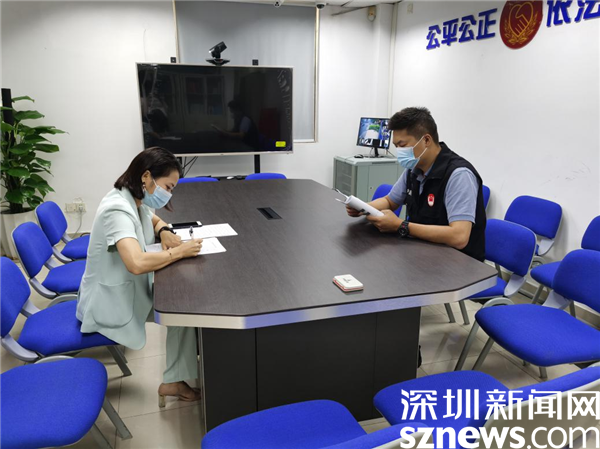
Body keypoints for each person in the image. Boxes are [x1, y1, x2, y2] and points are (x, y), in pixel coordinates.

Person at [76, 147, 203, 407]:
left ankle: (174, 380)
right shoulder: (116, 209)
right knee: (183, 308)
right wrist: (179, 252)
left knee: (185, 307)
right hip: (108, 303)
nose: (168, 194)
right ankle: (176, 378)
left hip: (126, 290)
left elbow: (152, 218)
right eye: (168, 187)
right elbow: (135, 263)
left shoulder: (133, 198)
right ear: (146, 177)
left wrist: (164, 230)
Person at [347, 107, 486, 261]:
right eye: (396, 146)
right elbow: (390, 201)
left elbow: (459, 237)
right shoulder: (414, 168)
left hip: (458, 263)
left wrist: (401, 226)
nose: (399, 151)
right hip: (421, 252)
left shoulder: (458, 175)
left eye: (402, 145)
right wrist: (363, 207)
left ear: (426, 140)